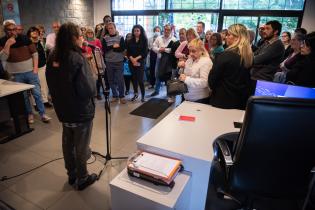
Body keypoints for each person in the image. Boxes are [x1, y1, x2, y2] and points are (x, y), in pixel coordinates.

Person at [46, 22, 97, 191]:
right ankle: (82, 178)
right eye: (80, 35)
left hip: (62, 109)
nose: (82, 38)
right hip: (80, 110)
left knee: (68, 143)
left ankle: (72, 175)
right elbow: (88, 89)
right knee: (81, 146)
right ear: (74, 38)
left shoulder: (53, 55)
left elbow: (51, 81)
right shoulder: (77, 57)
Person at [0, 20, 51, 123]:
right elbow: (3, 58)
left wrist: (35, 69)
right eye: (9, 30)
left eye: (14, 29)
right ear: (5, 30)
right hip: (16, 74)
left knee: (37, 93)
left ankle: (43, 114)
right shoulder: (2, 41)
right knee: (24, 97)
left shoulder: (25, 38)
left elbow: (35, 54)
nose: (12, 32)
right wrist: (8, 45)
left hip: (30, 72)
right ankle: (29, 114)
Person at [208, 24, 253, 110]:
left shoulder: (225, 55)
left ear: (237, 37)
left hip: (222, 101)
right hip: (240, 101)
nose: (226, 37)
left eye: (229, 34)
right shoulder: (248, 56)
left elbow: (212, 80)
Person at [177, 38, 212, 104]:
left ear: (201, 50)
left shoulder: (206, 61)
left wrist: (186, 79)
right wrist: (181, 68)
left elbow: (204, 82)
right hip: (187, 96)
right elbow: (184, 75)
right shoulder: (190, 59)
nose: (191, 53)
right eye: (189, 51)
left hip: (200, 99)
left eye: (193, 51)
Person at [27, 26, 52, 108]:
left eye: (36, 32)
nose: (35, 33)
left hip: (42, 66)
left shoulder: (40, 42)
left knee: (44, 85)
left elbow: (44, 53)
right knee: (35, 86)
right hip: (32, 68)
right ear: (29, 34)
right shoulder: (27, 43)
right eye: (32, 31)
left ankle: (45, 101)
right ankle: (35, 104)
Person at [102, 22, 126, 104]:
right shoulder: (105, 38)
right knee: (110, 80)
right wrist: (113, 46)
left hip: (119, 61)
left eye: (112, 28)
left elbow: (122, 48)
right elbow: (104, 49)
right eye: (109, 28)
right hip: (109, 62)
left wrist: (112, 48)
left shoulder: (120, 37)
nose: (110, 30)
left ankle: (122, 96)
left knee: (120, 80)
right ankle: (115, 96)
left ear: (115, 28)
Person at [150, 24, 176, 97]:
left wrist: (164, 49)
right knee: (157, 74)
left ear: (171, 30)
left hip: (169, 61)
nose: (166, 31)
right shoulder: (159, 38)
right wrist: (159, 49)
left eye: (168, 30)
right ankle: (156, 91)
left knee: (168, 76)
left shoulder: (174, 39)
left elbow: (173, 50)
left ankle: (169, 93)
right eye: (165, 29)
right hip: (159, 59)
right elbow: (153, 47)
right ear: (163, 30)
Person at [126, 25, 148, 102]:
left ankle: (143, 96)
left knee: (140, 80)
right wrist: (132, 59)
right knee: (134, 79)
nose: (136, 32)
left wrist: (136, 59)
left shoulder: (144, 40)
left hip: (140, 61)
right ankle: (135, 94)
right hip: (131, 62)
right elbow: (128, 53)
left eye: (137, 30)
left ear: (141, 31)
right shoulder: (130, 40)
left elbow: (145, 52)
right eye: (135, 31)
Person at [83, 28, 103, 100]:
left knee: (98, 77)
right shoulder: (84, 42)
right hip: (88, 61)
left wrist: (96, 53)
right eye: (88, 32)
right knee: (90, 78)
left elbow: (100, 50)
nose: (90, 34)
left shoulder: (97, 40)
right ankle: (92, 92)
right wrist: (86, 55)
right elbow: (82, 51)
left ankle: (98, 93)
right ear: (86, 34)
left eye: (91, 32)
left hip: (96, 60)